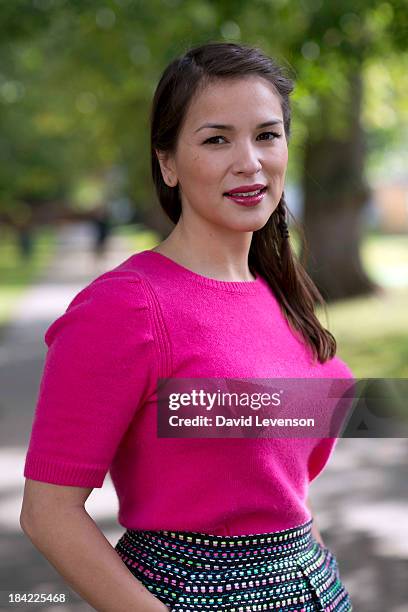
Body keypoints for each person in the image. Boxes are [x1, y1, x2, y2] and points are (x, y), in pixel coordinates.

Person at [20, 42, 354, 611]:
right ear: (167, 163)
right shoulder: (124, 309)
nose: (249, 161)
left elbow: (283, 494)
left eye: (267, 135)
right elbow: (47, 513)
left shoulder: (284, 294)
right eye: (217, 139)